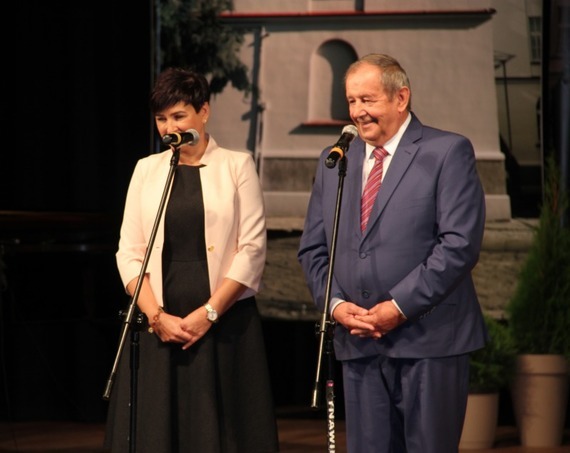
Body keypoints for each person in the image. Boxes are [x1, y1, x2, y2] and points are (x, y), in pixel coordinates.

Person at [297, 53, 488, 453]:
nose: (357, 112)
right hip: (360, 340)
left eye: (368, 100)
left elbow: (458, 245)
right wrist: (334, 305)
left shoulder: (446, 152)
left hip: (430, 342)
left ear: (401, 98)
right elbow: (314, 248)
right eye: (351, 101)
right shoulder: (336, 161)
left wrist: (398, 306)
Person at [104, 67, 279, 453]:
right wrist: (155, 317)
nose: (169, 127)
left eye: (179, 116)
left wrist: (209, 314)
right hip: (160, 322)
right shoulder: (146, 170)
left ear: (204, 111)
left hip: (224, 320)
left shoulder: (237, 165)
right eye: (162, 118)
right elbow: (129, 252)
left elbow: (251, 250)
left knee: (223, 429)